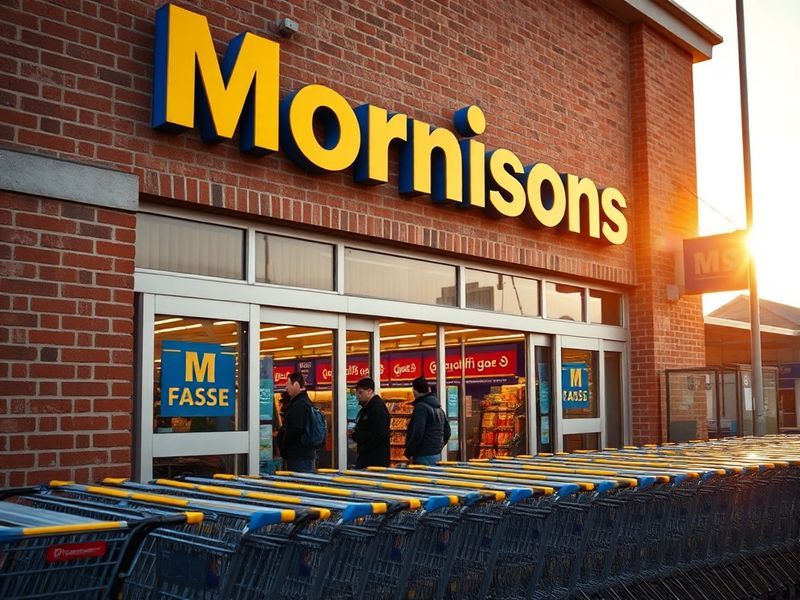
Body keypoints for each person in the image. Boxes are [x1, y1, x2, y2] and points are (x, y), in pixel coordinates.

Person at [276, 372, 317, 472]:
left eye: (288, 385)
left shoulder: (298, 405)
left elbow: (296, 429)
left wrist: (284, 442)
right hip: (305, 454)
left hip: (298, 456)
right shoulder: (306, 402)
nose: (286, 389)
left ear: (296, 385)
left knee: (299, 483)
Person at [404, 376, 450, 465]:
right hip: (436, 454)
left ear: (414, 390)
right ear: (428, 389)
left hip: (422, 455)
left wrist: (408, 452)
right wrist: (438, 447)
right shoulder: (438, 408)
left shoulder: (421, 407)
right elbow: (447, 432)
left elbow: (418, 432)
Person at [351, 377, 390, 468]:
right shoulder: (369, 408)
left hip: (374, 460)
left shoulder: (377, 409)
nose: (357, 396)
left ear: (369, 391)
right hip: (370, 457)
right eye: (356, 392)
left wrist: (358, 435)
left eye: (360, 392)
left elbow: (380, 434)